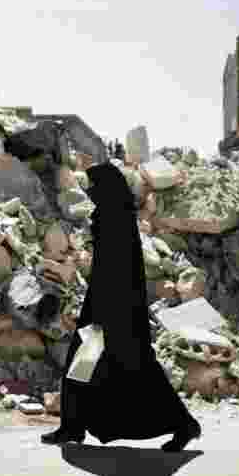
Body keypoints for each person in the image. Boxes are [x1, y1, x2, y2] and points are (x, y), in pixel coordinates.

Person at [41, 162, 202, 451]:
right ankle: (72, 425)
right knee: (85, 364)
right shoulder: (112, 213)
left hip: (116, 310)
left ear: (107, 188)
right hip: (105, 304)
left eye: (94, 186)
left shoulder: (114, 216)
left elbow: (118, 271)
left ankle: (183, 425)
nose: (90, 191)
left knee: (133, 370)